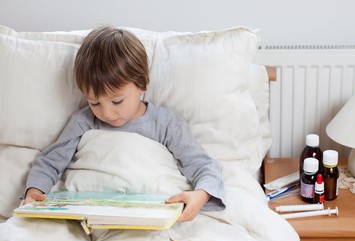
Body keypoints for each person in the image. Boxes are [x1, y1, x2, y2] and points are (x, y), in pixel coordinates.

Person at [23, 26, 226, 223]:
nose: (107, 113)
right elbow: (51, 161)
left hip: (145, 215)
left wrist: (201, 194)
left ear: (143, 83)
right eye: (94, 103)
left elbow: (202, 165)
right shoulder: (83, 121)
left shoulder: (165, 123)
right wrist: (35, 191)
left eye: (117, 101)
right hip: (89, 215)